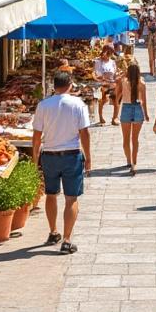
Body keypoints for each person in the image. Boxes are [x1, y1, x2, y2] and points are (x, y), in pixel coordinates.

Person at [31, 72, 92, 255]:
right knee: (71, 198)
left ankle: (53, 232)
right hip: (71, 155)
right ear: (70, 84)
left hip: (49, 155)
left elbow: (36, 136)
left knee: (50, 194)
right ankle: (66, 240)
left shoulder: (43, 105)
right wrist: (89, 157)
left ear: (53, 85)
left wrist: (35, 158)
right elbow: (85, 133)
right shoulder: (78, 104)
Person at [117, 64, 150, 174]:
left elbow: (118, 95)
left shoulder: (123, 81)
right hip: (138, 108)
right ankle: (134, 163)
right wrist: (146, 114)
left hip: (126, 107)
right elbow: (144, 100)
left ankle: (128, 160)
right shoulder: (141, 82)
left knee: (125, 139)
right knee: (135, 139)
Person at [93, 44, 118, 126]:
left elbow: (115, 73)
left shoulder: (112, 62)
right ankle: (101, 117)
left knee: (115, 101)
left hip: (112, 83)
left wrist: (116, 78)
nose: (110, 54)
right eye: (109, 52)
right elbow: (97, 73)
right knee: (103, 100)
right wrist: (103, 79)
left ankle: (114, 118)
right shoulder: (98, 61)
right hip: (103, 84)